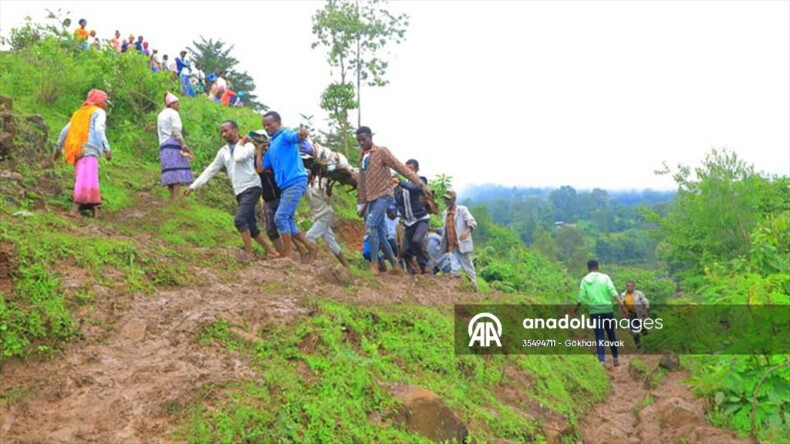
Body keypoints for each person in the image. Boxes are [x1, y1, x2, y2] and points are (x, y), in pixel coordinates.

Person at [184, 121, 278, 262]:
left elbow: (239, 157)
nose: (224, 134)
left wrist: (241, 143)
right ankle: (272, 252)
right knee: (251, 226)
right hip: (239, 190)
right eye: (222, 132)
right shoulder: (223, 151)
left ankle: (248, 254)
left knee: (239, 220)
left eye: (226, 131)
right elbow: (212, 169)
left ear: (235, 130)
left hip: (252, 186)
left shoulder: (249, 145)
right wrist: (193, 186)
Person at [355, 126, 432, 276]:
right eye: (359, 141)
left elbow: (400, 167)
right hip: (371, 200)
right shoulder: (362, 157)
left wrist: (421, 184)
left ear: (371, 137)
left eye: (364, 139)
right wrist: (362, 204)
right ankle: (396, 265)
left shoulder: (381, 152)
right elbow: (362, 182)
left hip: (384, 195)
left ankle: (375, 265)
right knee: (380, 233)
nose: (362, 143)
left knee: (370, 226)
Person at [261, 111, 317, 261]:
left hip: (296, 180)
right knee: (288, 221)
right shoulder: (272, 146)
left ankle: (288, 254)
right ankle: (311, 247)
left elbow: (295, 137)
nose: (267, 128)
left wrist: (301, 135)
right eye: (264, 125)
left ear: (278, 123)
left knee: (280, 218)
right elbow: (261, 168)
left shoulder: (285, 134)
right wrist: (259, 149)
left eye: (270, 124)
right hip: (285, 186)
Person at [54, 89, 112, 218]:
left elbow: (64, 131)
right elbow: (99, 128)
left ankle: (94, 208)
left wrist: (58, 148)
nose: (106, 104)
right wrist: (107, 148)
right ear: (98, 101)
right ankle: (76, 209)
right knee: (89, 178)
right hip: (90, 149)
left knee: (86, 177)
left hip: (77, 150)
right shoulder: (99, 112)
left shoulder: (79, 113)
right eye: (104, 101)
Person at [576, 259, 626, 366]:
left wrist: (577, 307)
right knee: (611, 334)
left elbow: (581, 297)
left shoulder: (584, 280)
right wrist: (622, 305)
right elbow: (613, 292)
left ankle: (601, 360)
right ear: (598, 267)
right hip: (607, 311)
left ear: (588, 268)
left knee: (599, 335)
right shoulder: (605, 278)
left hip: (595, 312)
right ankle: (615, 359)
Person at [394, 159, 431, 274]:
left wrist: (399, 182)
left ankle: (428, 264)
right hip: (408, 222)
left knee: (417, 241)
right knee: (405, 250)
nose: (407, 171)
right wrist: (396, 190)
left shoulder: (421, 181)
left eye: (410, 169)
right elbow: (399, 202)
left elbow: (414, 189)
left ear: (417, 170)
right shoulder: (403, 185)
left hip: (421, 219)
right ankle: (416, 270)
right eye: (405, 169)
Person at [305, 175, 349, 267]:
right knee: (331, 242)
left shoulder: (321, 184)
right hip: (318, 216)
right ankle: (346, 265)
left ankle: (312, 259)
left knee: (309, 236)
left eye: (308, 177)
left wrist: (328, 190)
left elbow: (329, 199)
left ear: (312, 177)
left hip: (325, 215)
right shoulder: (307, 186)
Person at [157, 92, 193, 199]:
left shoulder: (161, 115)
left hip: (164, 145)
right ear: (172, 104)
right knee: (177, 171)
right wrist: (183, 144)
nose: (178, 106)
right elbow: (176, 130)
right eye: (177, 104)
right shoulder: (174, 114)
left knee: (169, 171)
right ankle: (176, 198)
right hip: (173, 143)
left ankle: (172, 197)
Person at [441, 189, 478, 290]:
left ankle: (475, 289)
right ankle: (457, 292)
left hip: (462, 245)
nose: (446, 201)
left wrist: (467, 231)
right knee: (454, 270)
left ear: (453, 200)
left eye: (448, 199)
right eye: (445, 199)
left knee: (469, 269)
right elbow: (445, 230)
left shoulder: (462, 210)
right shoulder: (444, 214)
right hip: (451, 247)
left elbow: (472, 222)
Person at [617, 281, 650, 350]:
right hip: (631, 315)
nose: (629, 287)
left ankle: (648, 345)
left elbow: (645, 302)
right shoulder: (623, 295)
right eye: (628, 286)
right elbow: (621, 305)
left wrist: (645, 310)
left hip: (640, 314)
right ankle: (638, 346)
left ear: (633, 287)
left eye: (630, 286)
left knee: (644, 330)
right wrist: (622, 314)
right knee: (634, 331)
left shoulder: (639, 294)